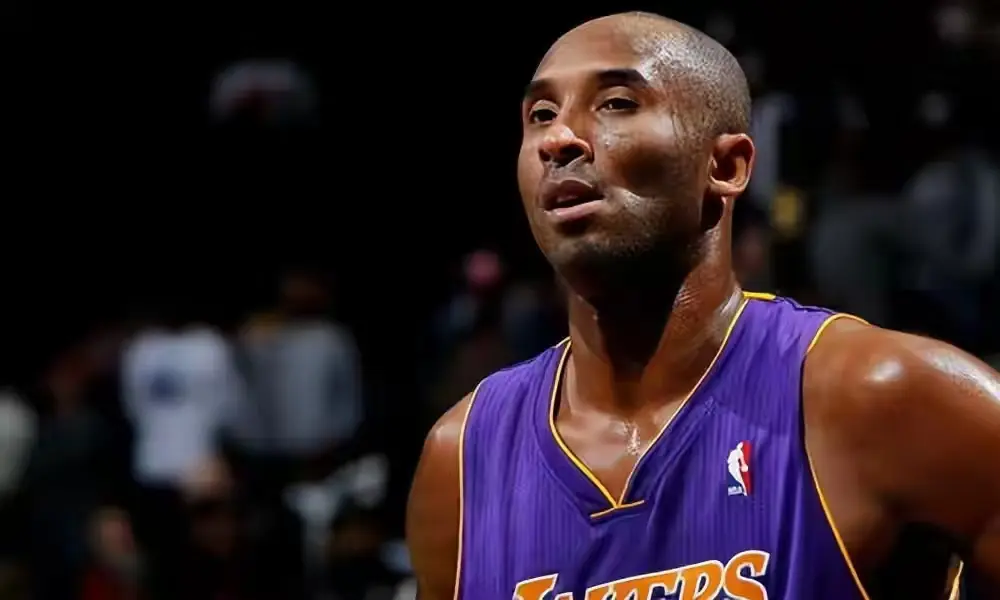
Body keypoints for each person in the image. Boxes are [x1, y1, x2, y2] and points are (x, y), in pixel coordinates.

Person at [406, 12, 1000, 600]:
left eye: (616, 103)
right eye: (541, 114)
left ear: (726, 166)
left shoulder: (885, 396)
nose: (559, 139)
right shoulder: (461, 462)